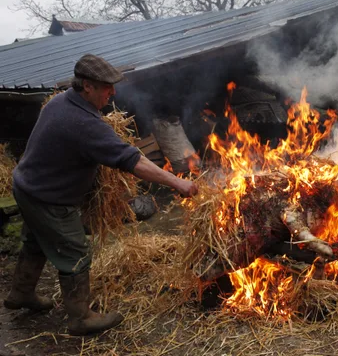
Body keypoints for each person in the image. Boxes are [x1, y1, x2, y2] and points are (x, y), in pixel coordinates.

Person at [4, 54, 198, 336]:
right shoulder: (82, 122)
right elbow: (133, 161)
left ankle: (21, 294)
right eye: (107, 87)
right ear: (87, 87)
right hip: (47, 197)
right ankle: (81, 318)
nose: (113, 92)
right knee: (75, 251)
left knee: (37, 241)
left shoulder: (60, 101)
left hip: (27, 186)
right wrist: (177, 183)